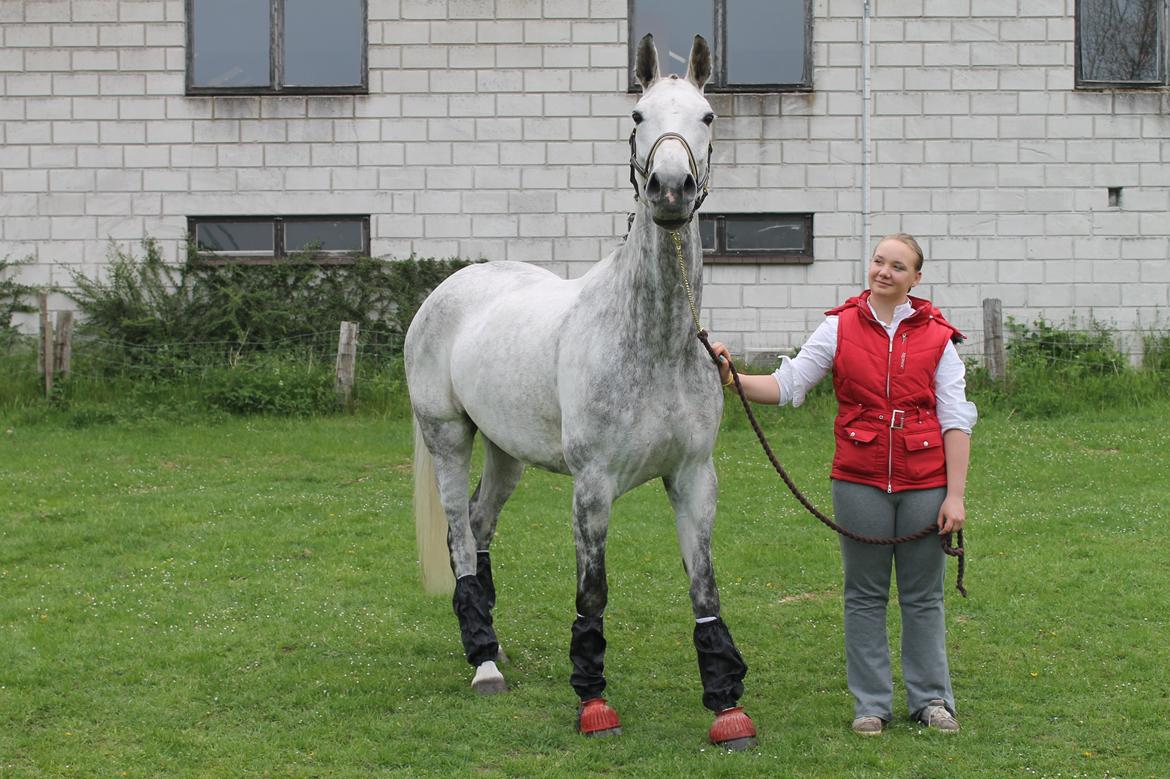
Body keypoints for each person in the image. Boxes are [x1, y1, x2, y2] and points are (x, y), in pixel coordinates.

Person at [710, 232, 975, 735]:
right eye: (878, 261)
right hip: (859, 478)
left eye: (898, 266)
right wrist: (732, 377)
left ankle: (932, 699)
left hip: (925, 481)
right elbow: (787, 385)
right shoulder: (838, 327)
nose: (884, 272)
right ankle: (871, 703)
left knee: (923, 596)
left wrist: (955, 496)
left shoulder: (939, 337)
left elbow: (955, 419)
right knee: (864, 594)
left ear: (915, 278)